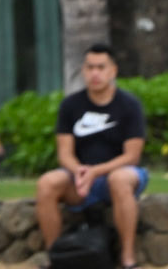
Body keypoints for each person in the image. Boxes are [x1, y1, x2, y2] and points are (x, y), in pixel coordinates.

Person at [35, 43, 147, 269]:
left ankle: (127, 258)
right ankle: (56, 256)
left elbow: (132, 156)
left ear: (113, 71)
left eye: (101, 67)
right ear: (83, 71)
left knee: (119, 179)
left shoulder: (129, 105)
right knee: (47, 183)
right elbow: (64, 153)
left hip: (120, 173)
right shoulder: (70, 105)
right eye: (90, 67)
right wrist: (78, 170)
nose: (95, 73)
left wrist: (96, 171)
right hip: (80, 176)